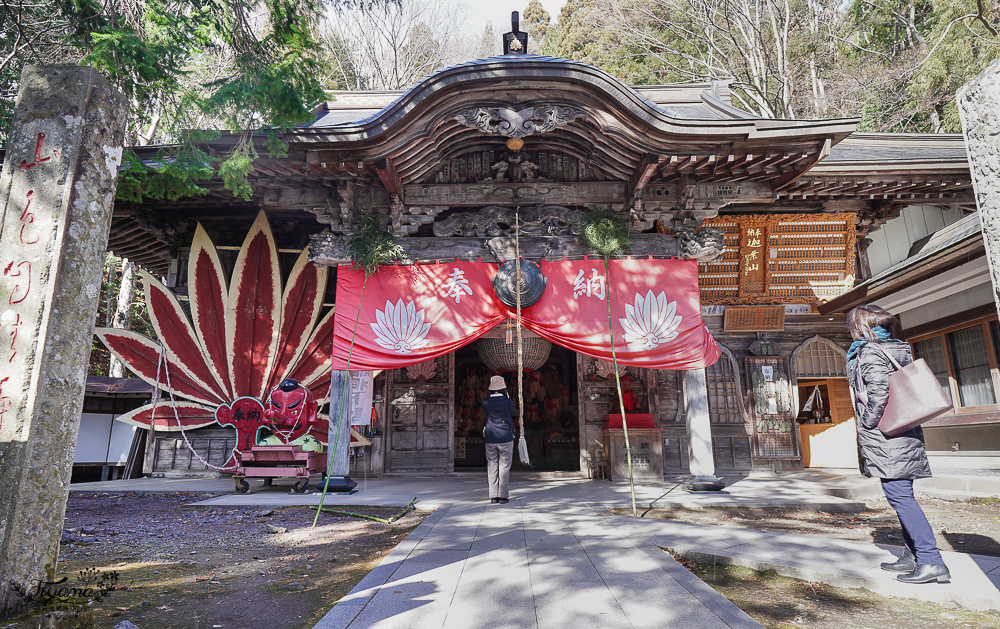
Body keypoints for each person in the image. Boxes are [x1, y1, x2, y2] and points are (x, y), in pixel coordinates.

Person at [846, 304, 950, 584]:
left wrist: (867, 422)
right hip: (904, 431)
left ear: (860, 326)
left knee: (901, 497)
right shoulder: (897, 348)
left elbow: (878, 393)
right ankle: (913, 554)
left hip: (888, 435)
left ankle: (930, 560)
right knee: (901, 495)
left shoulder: (869, 351)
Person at [483, 375, 516, 504]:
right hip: (506, 437)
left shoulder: (486, 403)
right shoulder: (507, 402)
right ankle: (503, 496)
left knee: (492, 466)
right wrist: (507, 398)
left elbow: (487, 414)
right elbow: (513, 413)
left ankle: (493, 496)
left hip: (491, 437)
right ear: (504, 388)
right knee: (505, 466)